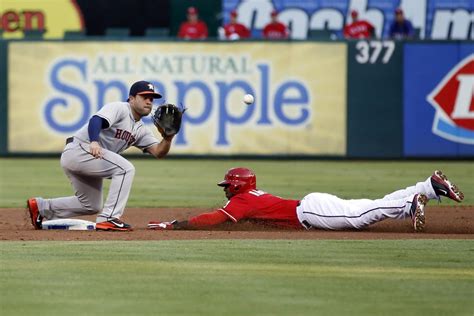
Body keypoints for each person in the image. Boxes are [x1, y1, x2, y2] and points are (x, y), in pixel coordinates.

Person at [27, 81, 175, 231]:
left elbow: (158, 152)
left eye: (152, 98)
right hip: (80, 150)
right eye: (145, 97)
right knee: (125, 169)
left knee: (91, 205)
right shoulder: (120, 108)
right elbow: (96, 120)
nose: (149, 101)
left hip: (90, 158)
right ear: (131, 98)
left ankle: (41, 207)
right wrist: (94, 141)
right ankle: (109, 218)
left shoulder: (141, 130)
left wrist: (168, 138)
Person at [148, 167, 464, 232]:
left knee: (359, 217)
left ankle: (408, 205)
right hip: (311, 205)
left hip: (310, 212)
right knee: (365, 206)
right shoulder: (252, 195)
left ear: (239, 186)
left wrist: (179, 224)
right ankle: (426, 187)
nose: (225, 190)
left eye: (228, 185)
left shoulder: (243, 200)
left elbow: (215, 218)